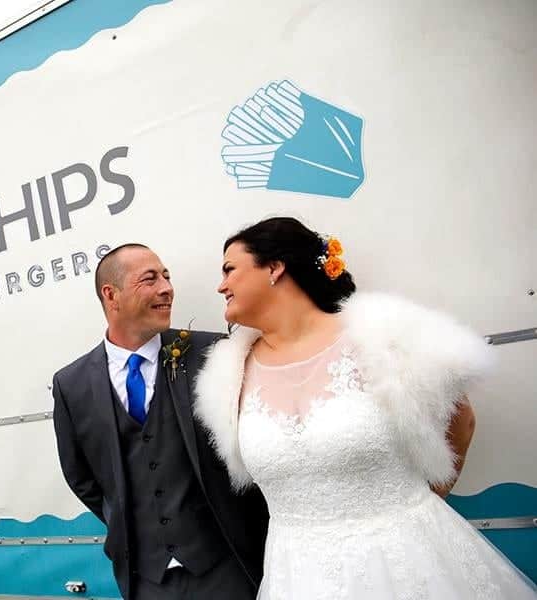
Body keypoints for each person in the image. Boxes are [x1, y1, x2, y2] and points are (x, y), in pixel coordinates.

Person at [195, 216, 537, 599]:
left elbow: (461, 421)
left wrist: (407, 512)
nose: (221, 285)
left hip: (408, 566)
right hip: (296, 576)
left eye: (229, 269)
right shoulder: (227, 375)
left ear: (275, 267)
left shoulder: (384, 338)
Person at [52, 243, 268, 600]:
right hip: (145, 581)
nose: (166, 288)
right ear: (111, 295)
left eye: (166, 276)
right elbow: (82, 477)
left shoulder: (211, 354)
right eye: (150, 279)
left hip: (226, 571)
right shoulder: (71, 384)